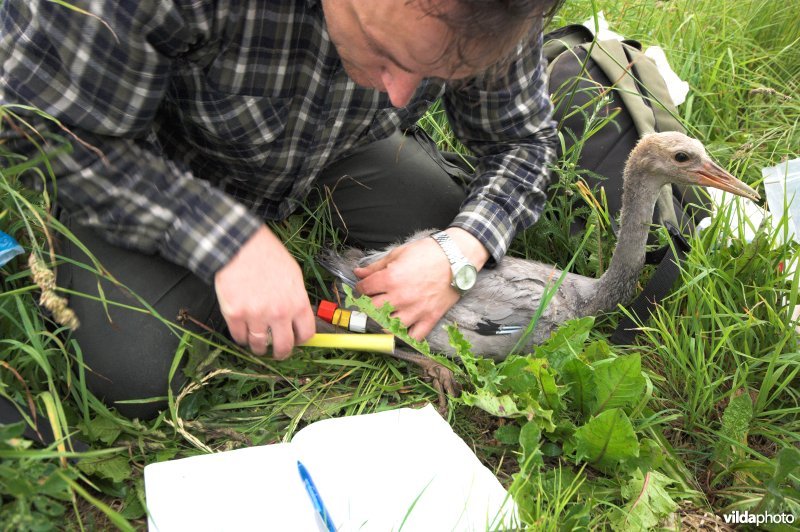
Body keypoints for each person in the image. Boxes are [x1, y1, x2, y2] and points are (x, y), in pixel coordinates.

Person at [0, 0, 561, 424]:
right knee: (139, 371)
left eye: (438, 76)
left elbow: (526, 141)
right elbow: (40, 128)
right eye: (385, 55)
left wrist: (459, 249)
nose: (400, 97)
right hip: (145, 158)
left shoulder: (496, 10)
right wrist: (224, 241)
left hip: (329, 145)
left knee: (439, 214)